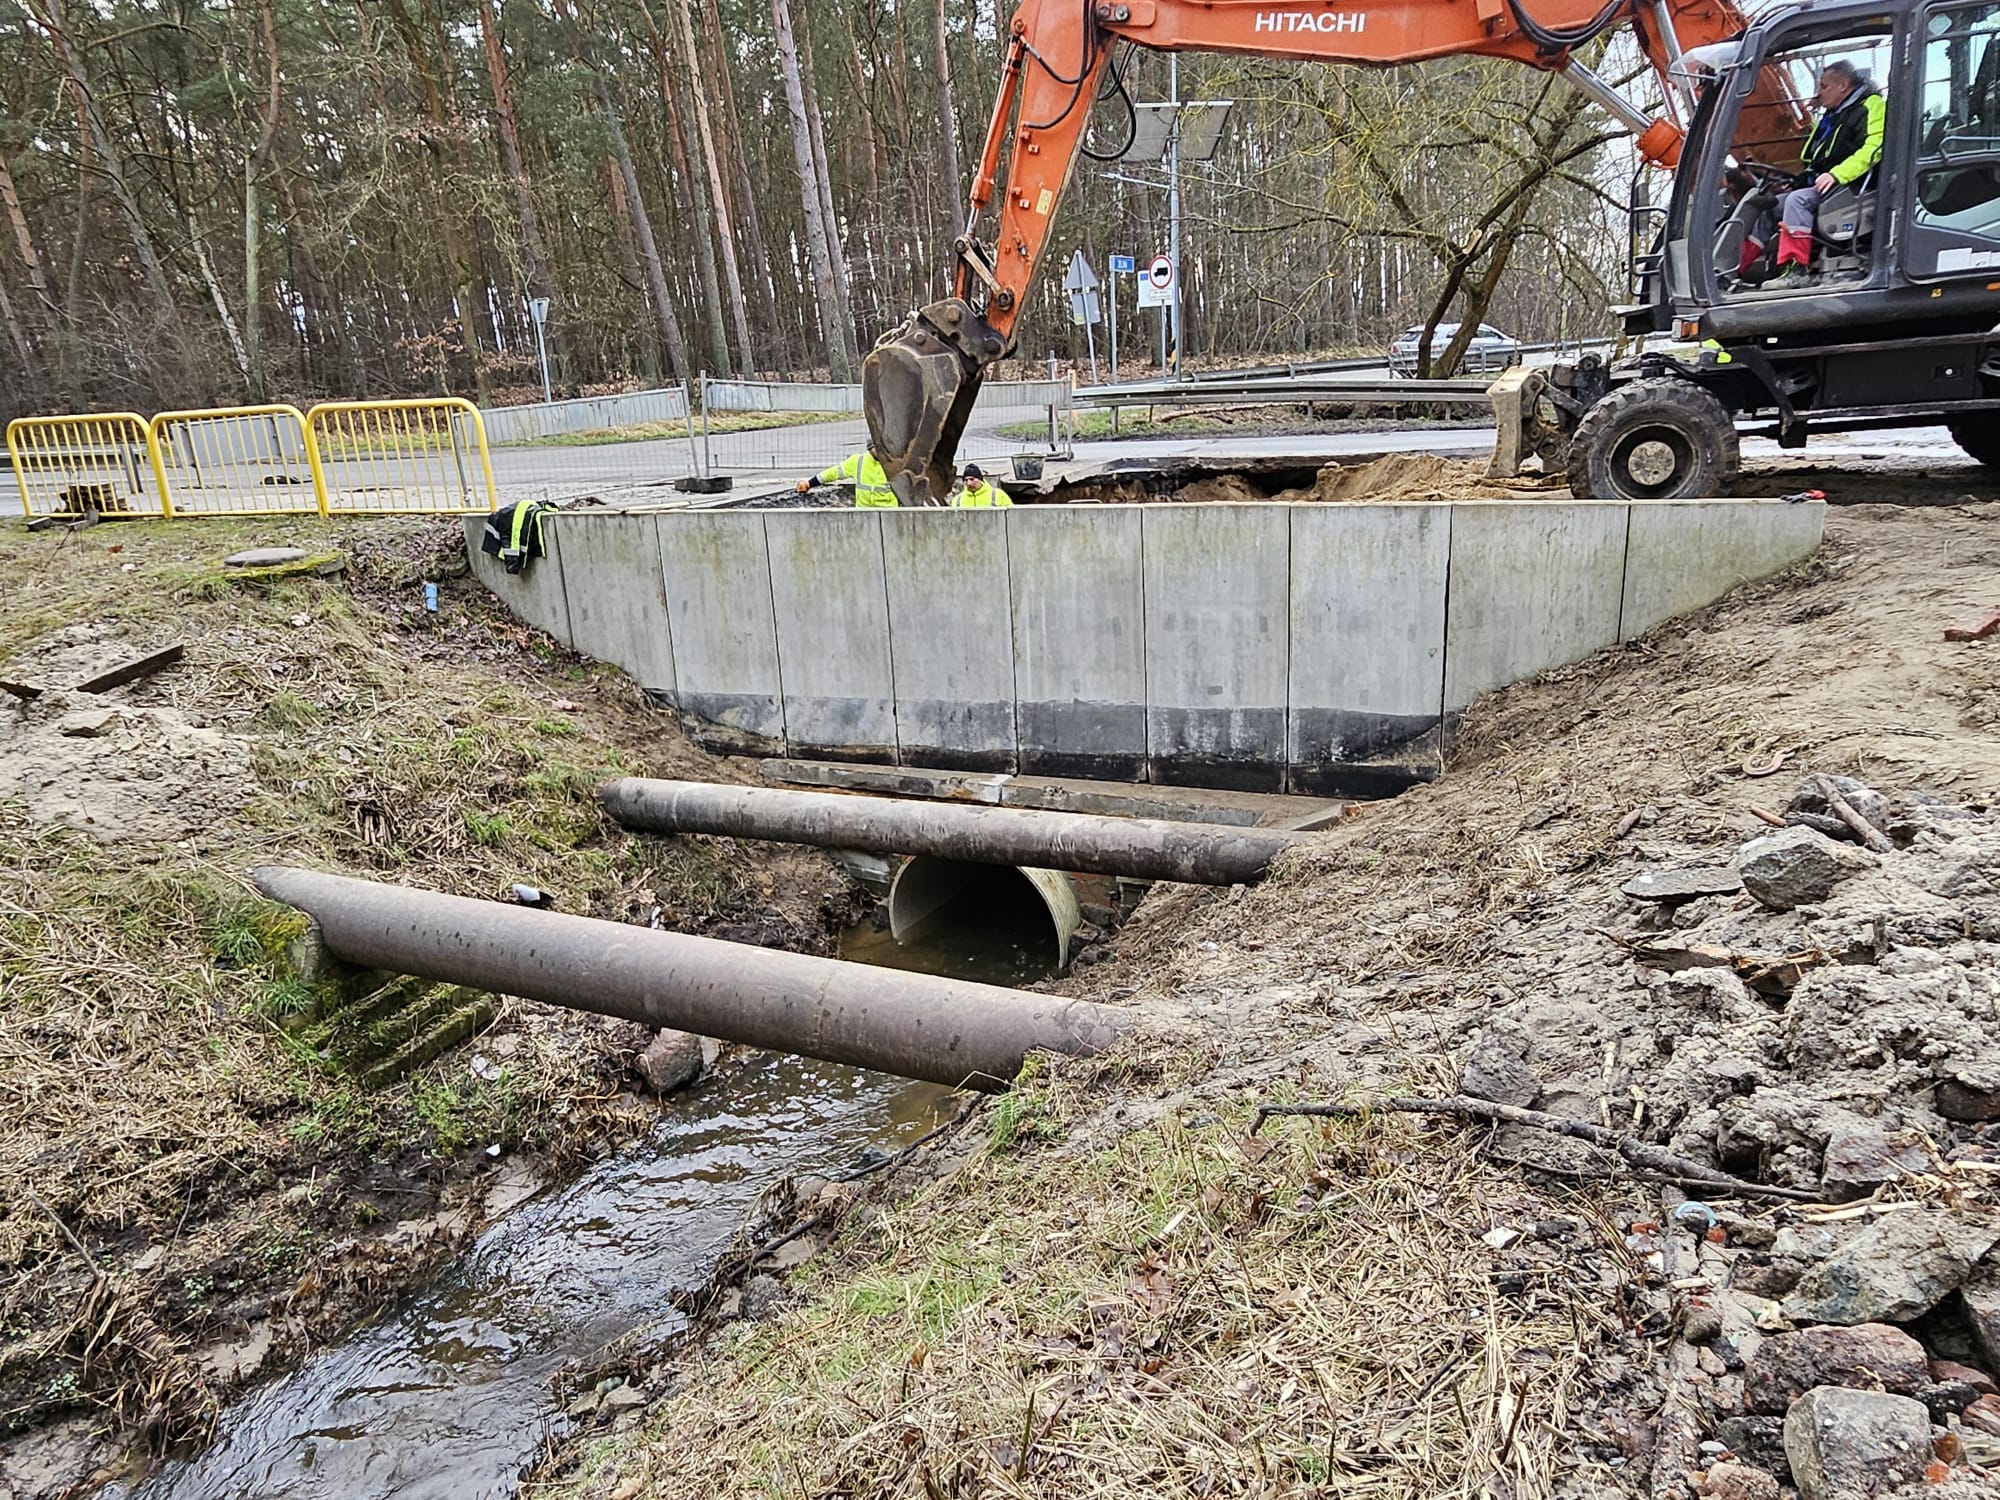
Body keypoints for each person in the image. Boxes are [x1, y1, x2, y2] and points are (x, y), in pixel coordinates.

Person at [1770, 59, 1886, 289]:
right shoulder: (1834, 114)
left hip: (1853, 185)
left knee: (1797, 202)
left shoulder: (1871, 106)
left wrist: (1837, 175)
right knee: (1769, 203)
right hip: (1829, 184)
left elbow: (1874, 148)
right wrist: (1800, 180)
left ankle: (1797, 269)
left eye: (1824, 86)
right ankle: (1735, 269)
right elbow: (1818, 155)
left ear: (1842, 86)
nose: (1819, 92)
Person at [798, 448, 896, 507]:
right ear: (869, 447)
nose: (878, 450)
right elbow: (833, 473)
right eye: (875, 447)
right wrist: (809, 483)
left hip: (889, 512)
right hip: (864, 512)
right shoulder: (858, 461)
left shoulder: (894, 463)